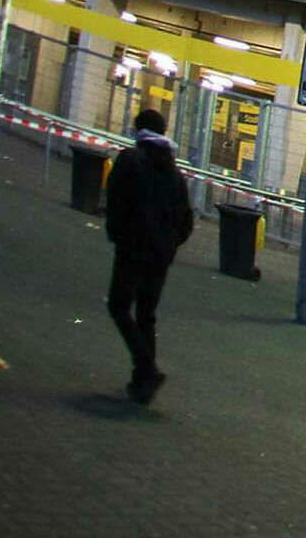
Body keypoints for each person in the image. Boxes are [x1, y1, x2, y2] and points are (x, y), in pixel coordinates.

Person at [104, 107, 195, 404]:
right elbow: (186, 220)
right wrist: (170, 244)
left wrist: (118, 234)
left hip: (132, 247)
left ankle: (146, 368)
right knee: (146, 314)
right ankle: (142, 382)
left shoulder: (131, 160)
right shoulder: (174, 173)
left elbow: (115, 200)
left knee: (119, 306)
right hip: (160, 253)